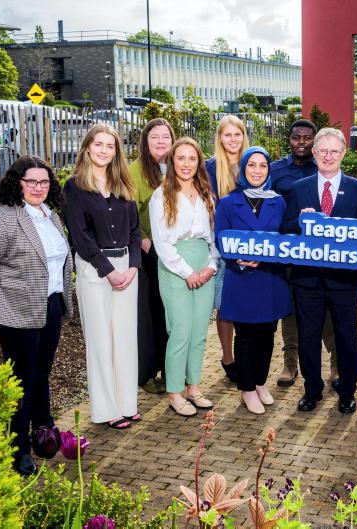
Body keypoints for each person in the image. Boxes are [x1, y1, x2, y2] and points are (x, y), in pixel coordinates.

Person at [0, 155, 73, 475]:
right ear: (18, 183)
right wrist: (6, 295)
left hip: (51, 305)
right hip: (17, 312)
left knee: (42, 373)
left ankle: (44, 433)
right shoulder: (4, 218)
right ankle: (19, 450)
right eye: (31, 181)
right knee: (21, 381)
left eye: (44, 182)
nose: (38, 187)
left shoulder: (51, 216)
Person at [282, 127, 357, 413]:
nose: (328, 156)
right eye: (323, 151)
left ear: (343, 153)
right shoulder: (300, 188)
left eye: (334, 151)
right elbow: (285, 229)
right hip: (306, 279)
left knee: (347, 336)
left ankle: (347, 390)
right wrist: (299, 221)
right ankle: (312, 389)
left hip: (343, 280)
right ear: (314, 153)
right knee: (308, 336)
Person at [63, 124, 141, 430]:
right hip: (94, 269)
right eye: (99, 144)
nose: (104, 150)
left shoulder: (123, 183)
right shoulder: (74, 187)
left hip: (127, 268)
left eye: (110, 146)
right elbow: (80, 237)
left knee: (125, 339)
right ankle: (106, 409)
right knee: (100, 340)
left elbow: (135, 230)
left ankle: (127, 404)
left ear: (116, 151)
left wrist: (133, 267)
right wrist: (109, 271)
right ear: (87, 147)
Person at [215, 147, 292, 414]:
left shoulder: (278, 202)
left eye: (262, 166)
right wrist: (237, 258)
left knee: (267, 335)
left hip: (270, 278)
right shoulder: (228, 202)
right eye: (252, 165)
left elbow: (284, 239)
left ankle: (259, 382)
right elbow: (220, 238)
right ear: (243, 169)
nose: (257, 171)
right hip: (241, 278)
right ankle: (246, 388)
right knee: (246, 336)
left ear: (268, 170)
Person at [150, 137, 219, 417]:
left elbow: (213, 235)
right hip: (175, 267)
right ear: (172, 161)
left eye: (192, 158)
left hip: (204, 263)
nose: (186, 164)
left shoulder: (206, 193)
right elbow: (162, 243)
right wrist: (187, 272)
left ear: (199, 162)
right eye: (181, 158)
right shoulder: (161, 196)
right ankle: (175, 392)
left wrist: (212, 265)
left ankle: (194, 387)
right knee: (180, 331)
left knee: (199, 331)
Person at [270, 119, 337, 388]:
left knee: (327, 311)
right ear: (289, 139)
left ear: (314, 141)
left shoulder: (323, 168)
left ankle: (335, 364)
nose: (301, 142)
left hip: (320, 252)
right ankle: (290, 363)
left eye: (307, 138)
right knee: (290, 311)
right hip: (288, 250)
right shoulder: (275, 170)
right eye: (296, 137)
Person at [129, 118, 174, 395]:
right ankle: (148, 372)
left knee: (171, 313)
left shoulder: (177, 166)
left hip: (175, 251)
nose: (160, 142)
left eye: (165, 137)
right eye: (154, 137)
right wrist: (145, 241)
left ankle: (171, 371)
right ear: (145, 142)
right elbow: (130, 213)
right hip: (150, 253)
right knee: (153, 314)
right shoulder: (135, 171)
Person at [206, 115, 249, 384]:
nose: (233, 140)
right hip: (222, 244)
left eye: (237, 134)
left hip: (249, 244)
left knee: (245, 303)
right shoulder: (209, 168)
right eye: (227, 135)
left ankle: (245, 356)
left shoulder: (252, 163)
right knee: (225, 306)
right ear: (220, 138)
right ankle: (228, 357)